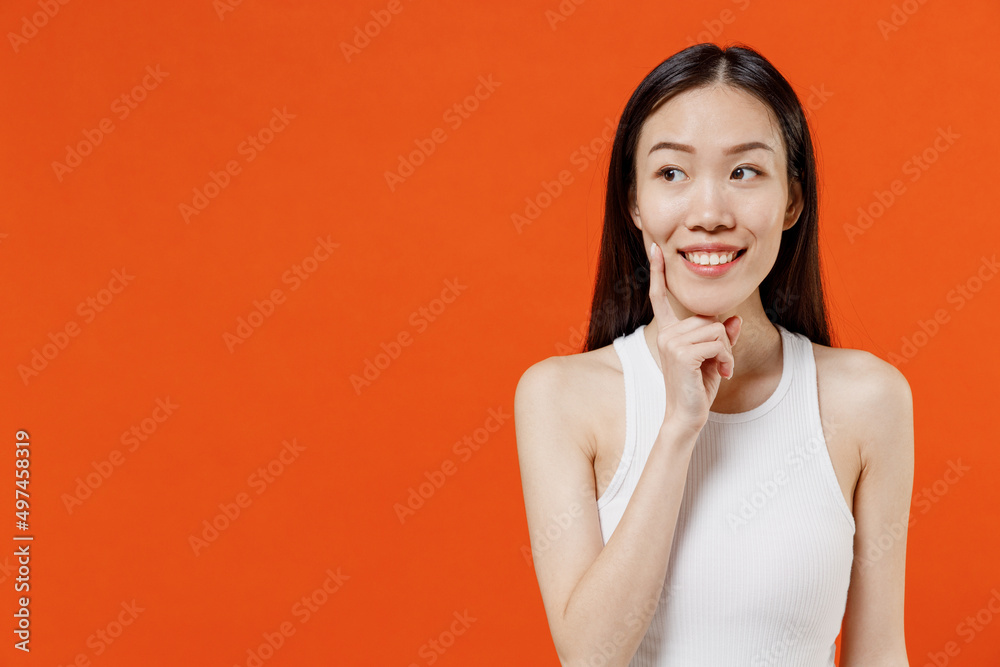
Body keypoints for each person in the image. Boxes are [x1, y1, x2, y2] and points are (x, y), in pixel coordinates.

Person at [514, 42, 913, 666]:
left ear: (792, 202)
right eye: (672, 173)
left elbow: (879, 654)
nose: (708, 214)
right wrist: (678, 425)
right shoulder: (560, 397)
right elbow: (590, 657)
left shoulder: (868, 398)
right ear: (634, 204)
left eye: (744, 171)